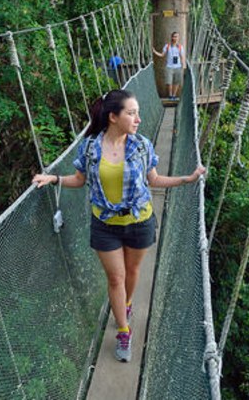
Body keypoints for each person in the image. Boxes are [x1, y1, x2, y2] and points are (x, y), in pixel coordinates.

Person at [32, 89, 205, 362]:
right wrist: (53, 179)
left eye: (137, 112)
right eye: (131, 113)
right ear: (113, 117)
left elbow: (154, 180)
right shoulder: (89, 147)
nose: (138, 119)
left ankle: (125, 304)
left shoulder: (142, 145)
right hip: (105, 224)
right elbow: (79, 180)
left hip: (139, 221)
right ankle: (123, 330)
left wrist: (186, 179)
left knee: (132, 272)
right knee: (116, 277)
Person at [151, 32, 185, 99]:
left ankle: (174, 95)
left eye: (177, 37)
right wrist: (155, 52)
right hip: (169, 66)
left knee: (176, 82)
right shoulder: (167, 46)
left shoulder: (180, 47)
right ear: (171, 37)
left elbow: (182, 57)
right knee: (169, 82)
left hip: (178, 66)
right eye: (174, 36)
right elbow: (162, 55)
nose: (175, 38)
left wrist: (184, 66)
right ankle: (170, 95)